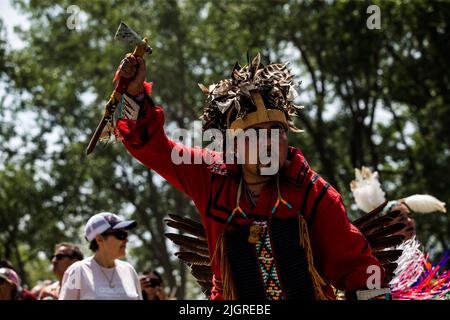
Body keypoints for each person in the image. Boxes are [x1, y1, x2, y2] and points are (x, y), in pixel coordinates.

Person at [114, 53, 396, 300]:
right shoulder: (211, 175)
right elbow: (154, 148)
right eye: (258, 135)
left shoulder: (312, 191)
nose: (270, 143)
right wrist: (135, 94)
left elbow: (357, 267)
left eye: (278, 131)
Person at [59, 212, 142, 300]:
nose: (126, 240)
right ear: (99, 239)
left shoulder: (129, 270)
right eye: (121, 235)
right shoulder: (77, 271)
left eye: (126, 234)